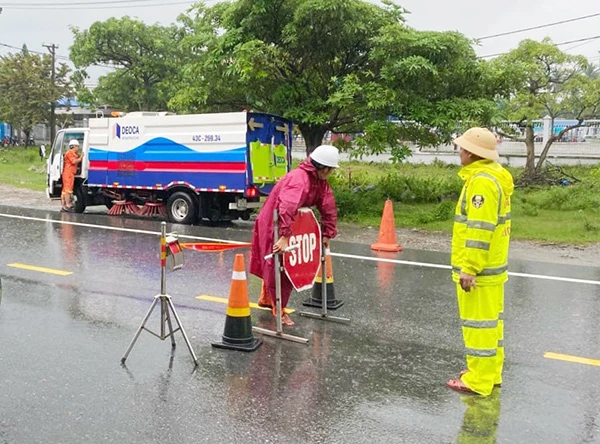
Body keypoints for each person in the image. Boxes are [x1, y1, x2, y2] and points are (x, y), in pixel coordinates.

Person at [446, 127, 514, 397]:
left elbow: (479, 229)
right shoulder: (494, 176)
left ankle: (478, 380)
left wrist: (469, 268)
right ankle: (490, 373)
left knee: (478, 327)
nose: (459, 152)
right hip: (492, 269)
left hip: (480, 271)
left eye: (461, 148)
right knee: (491, 325)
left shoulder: (482, 182)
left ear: (472, 153)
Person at [249, 144, 339, 326]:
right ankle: (279, 310)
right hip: (274, 223)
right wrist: (284, 236)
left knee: (287, 264)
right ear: (324, 168)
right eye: (330, 170)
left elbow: (328, 205)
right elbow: (287, 207)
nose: (330, 174)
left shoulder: (319, 182)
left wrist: (328, 233)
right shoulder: (299, 180)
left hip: (291, 225)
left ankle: (269, 299)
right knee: (280, 266)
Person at [61, 139, 84, 212]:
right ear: (73, 146)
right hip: (68, 173)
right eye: (77, 146)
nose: (78, 148)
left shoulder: (72, 153)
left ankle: (64, 205)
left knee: (65, 190)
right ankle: (67, 205)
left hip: (69, 173)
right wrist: (81, 158)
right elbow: (74, 161)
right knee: (68, 189)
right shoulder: (70, 153)